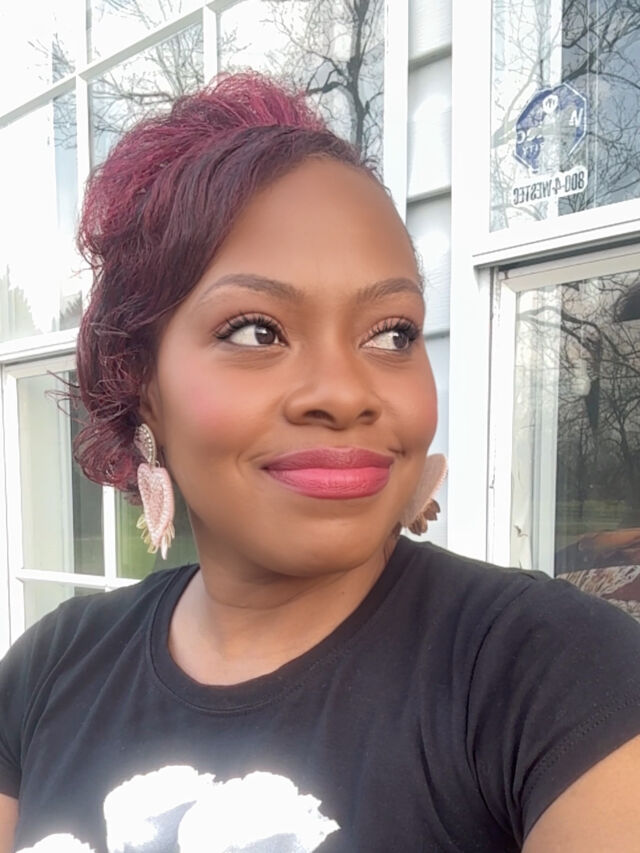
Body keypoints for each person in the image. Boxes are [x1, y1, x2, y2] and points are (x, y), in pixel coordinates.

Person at [1, 71, 640, 853]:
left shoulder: (553, 675)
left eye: (392, 333)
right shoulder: (51, 667)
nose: (345, 392)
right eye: (256, 331)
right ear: (144, 388)